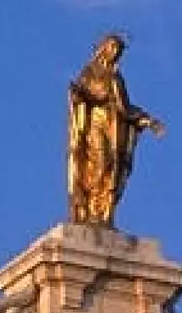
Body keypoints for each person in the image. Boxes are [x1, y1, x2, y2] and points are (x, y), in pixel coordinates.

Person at [67, 33, 164, 227]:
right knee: (100, 162)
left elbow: (125, 108)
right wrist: (79, 94)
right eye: (112, 47)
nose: (115, 52)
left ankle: (104, 211)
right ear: (103, 48)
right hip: (96, 122)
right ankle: (91, 208)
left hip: (115, 126)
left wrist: (147, 120)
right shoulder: (90, 71)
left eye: (118, 50)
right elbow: (84, 94)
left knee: (114, 167)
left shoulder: (116, 78)